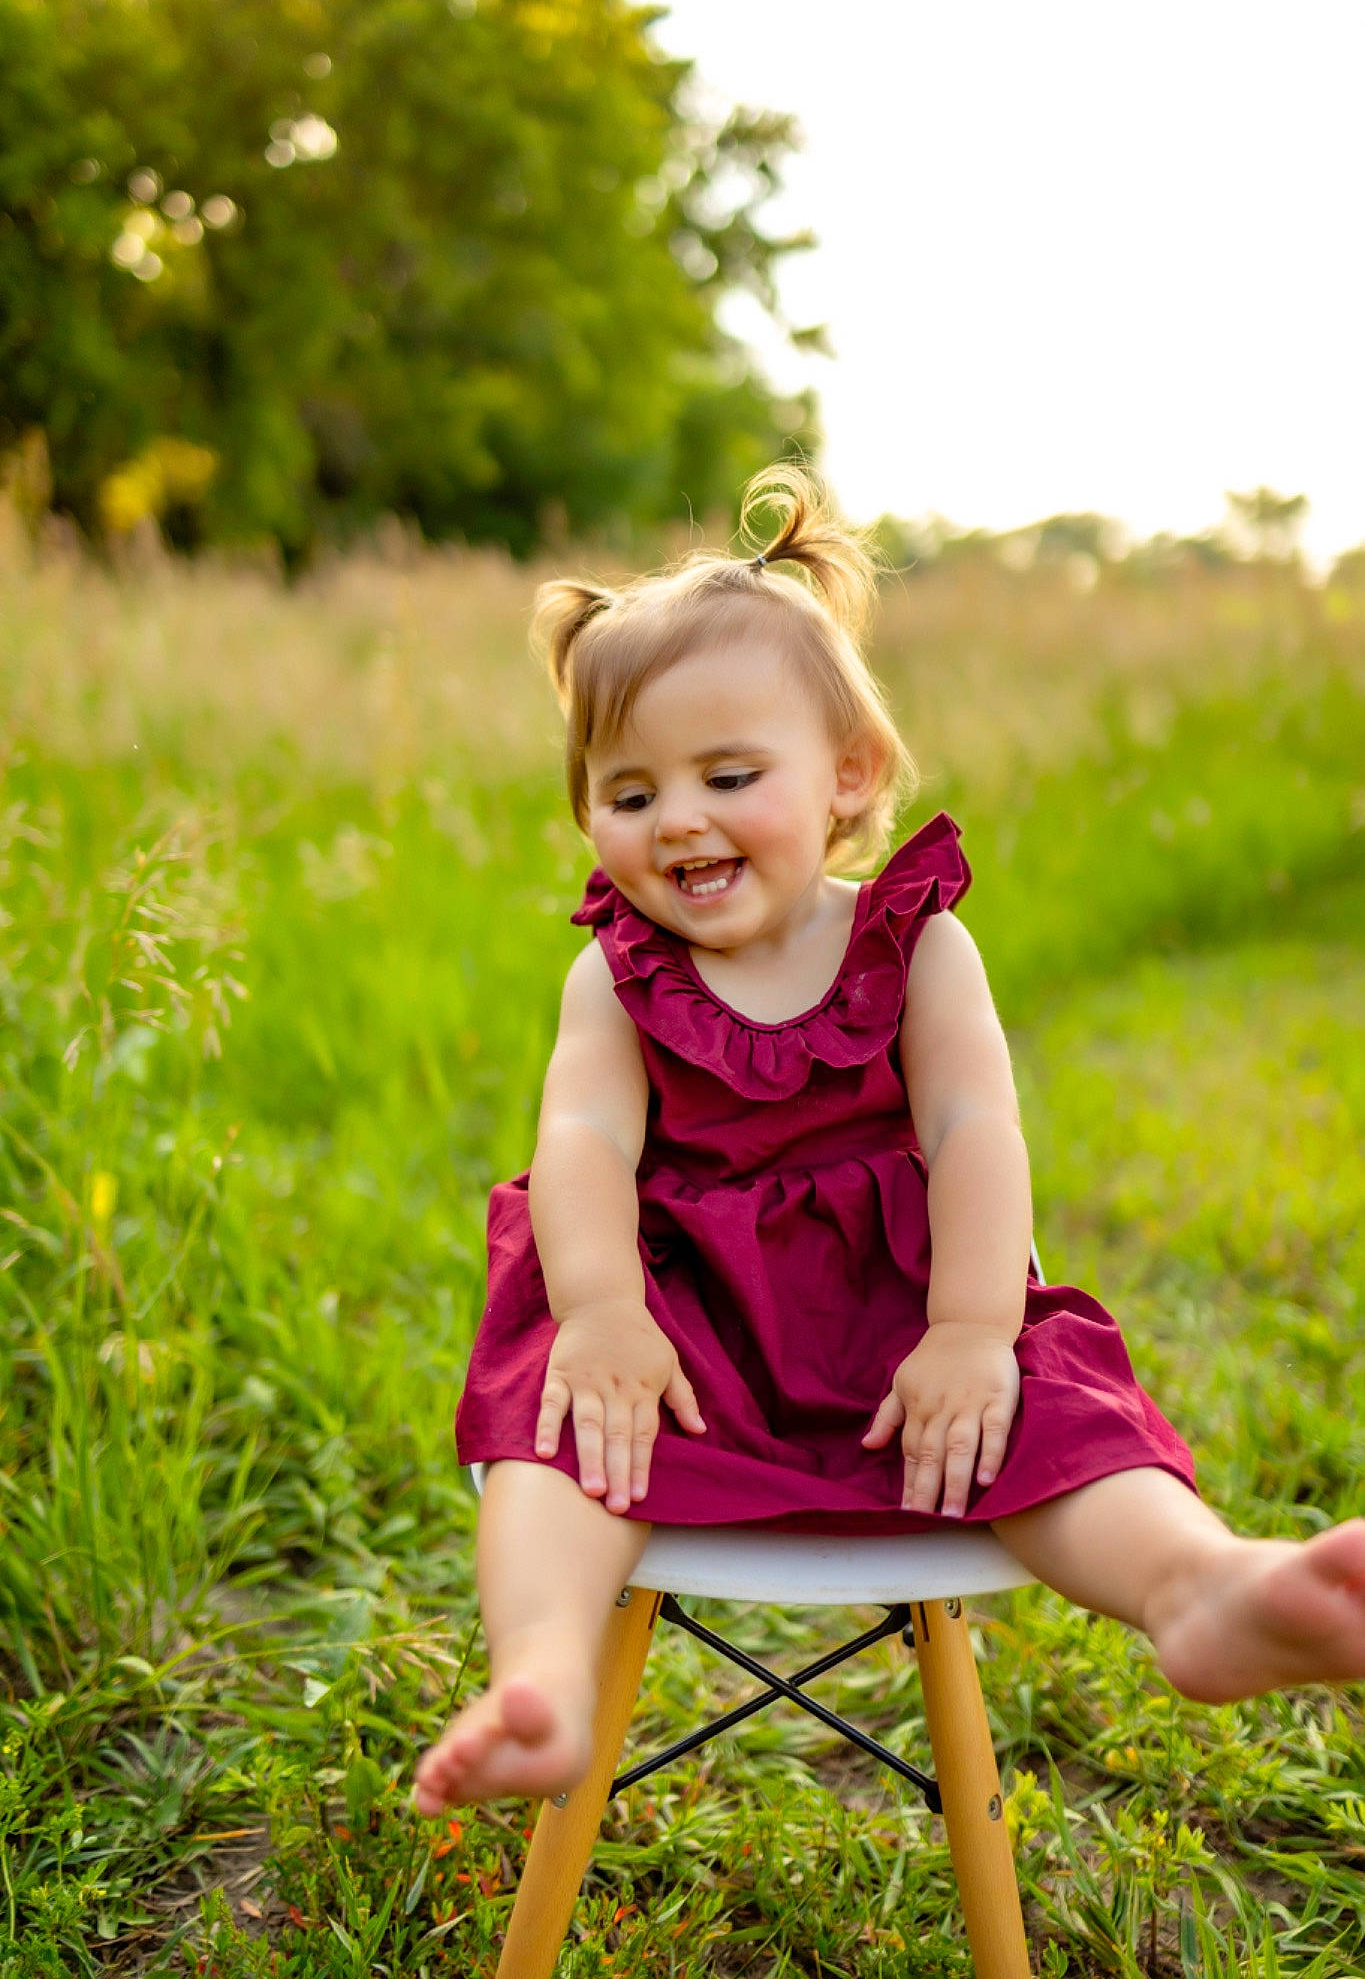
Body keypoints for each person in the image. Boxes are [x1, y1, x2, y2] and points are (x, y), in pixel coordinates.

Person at [414, 466, 1365, 1813]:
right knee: (559, 1440)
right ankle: (543, 1680)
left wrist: (973, 1328)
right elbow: (575, 1140)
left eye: (727, 775)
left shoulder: (912, 943)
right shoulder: (613, 973)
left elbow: (975, 1127)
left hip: (903, 1328)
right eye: (626, 793)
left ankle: (1203, 1590)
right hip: (684, 1334)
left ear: (845, 778)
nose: (674, 817)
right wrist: (600, 1308)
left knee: (1054, 1421)